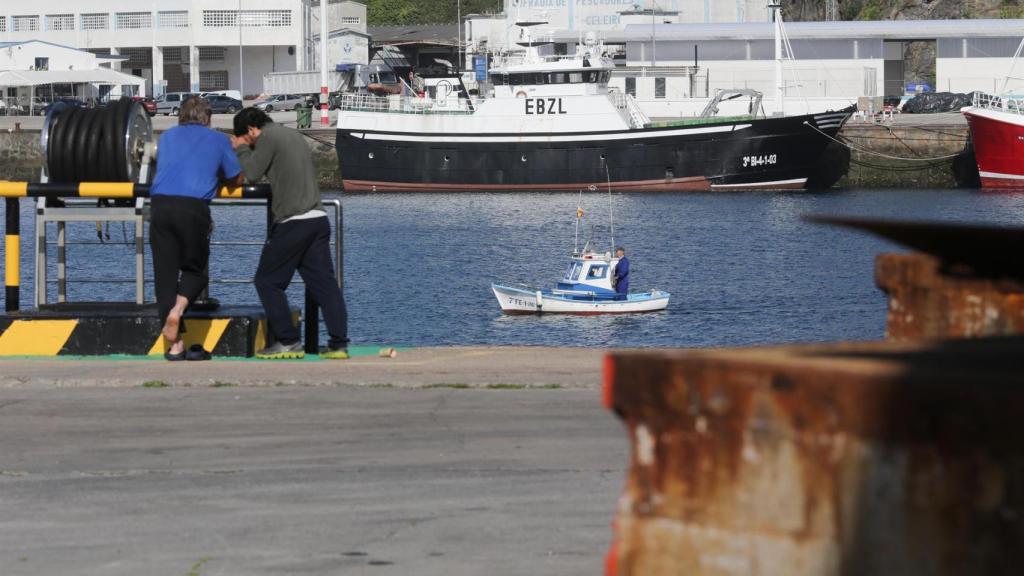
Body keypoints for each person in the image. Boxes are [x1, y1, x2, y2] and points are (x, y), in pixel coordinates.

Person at [231, 107, 350, 360]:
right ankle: (338, 344)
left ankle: (288, 340)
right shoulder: (291, 134)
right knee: (325, 285)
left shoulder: (267, 137)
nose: (250, 143)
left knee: (267, 281)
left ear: (251, 129)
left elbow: (252, 174)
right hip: (317, 218)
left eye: (247, 137)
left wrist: (241, 148)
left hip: (293, 222)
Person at [150, 96, 241, 361]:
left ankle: (176, 346)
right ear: (208, 117)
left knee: (165, 276)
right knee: (196, 271)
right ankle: (177, 311)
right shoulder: (218, 139)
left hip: (160, 206)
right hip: (193, 208)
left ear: (180, 116)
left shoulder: (167, 137)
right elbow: (236, 178)